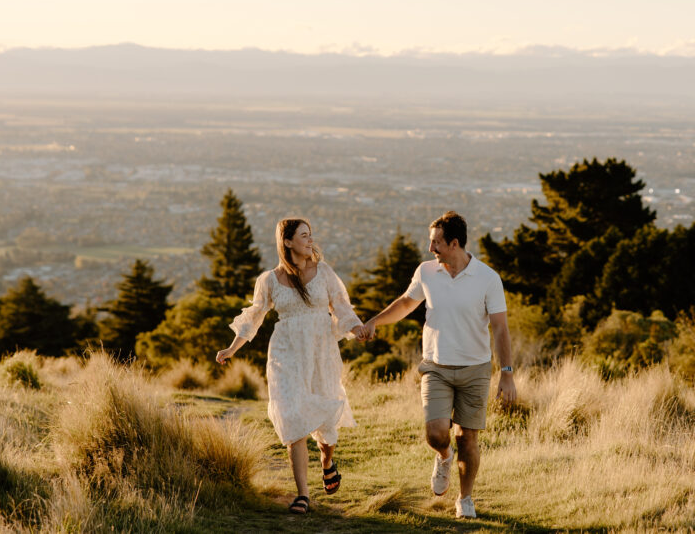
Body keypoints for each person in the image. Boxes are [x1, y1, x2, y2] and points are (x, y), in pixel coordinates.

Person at [360, 211, 516, 519]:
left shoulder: (487, 278)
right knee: (436, 433)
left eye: (436, 243)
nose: (431, 248)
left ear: (454, 244)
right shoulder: (426, 272)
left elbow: (500, 328)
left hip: (475, 369)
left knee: (467, 437)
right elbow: (406, 303)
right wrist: (374, 321)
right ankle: (444, 457)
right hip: (436, 366)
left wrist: (507, 374)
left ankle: (465, 498)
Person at [216, 218, 366, 515]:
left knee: (325, 422)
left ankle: (327, 461)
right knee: (292, 417)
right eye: (304, 236)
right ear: (287, 242)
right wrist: (233, 347)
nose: (310, 240)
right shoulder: (269, 279)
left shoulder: (323, 273)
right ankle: (303, 495)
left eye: (311, 235)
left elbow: (342, 307)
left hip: (320, 352)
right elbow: (254, 316)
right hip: (285, 354)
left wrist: (357, 329)